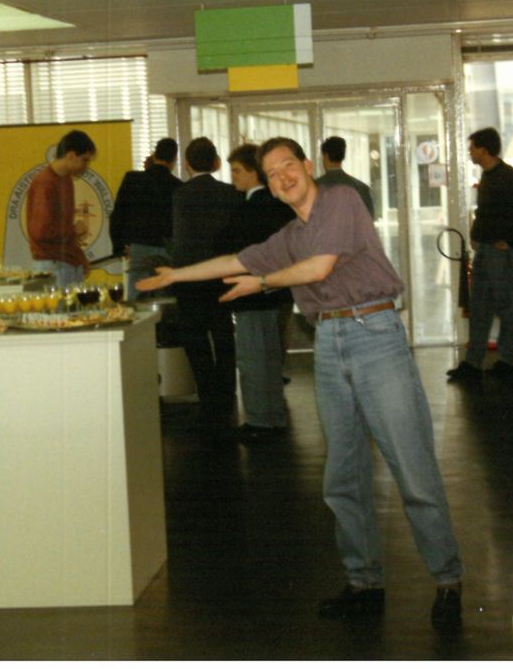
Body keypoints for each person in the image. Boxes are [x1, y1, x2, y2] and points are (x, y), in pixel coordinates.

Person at [138, 137, 463, 631]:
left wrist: (265, 282)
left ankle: (447, 580)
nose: (282, 177)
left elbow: (319, 266)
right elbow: (238, 260)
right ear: (268, 186)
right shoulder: (291, 234)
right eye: (271, 174)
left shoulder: (341, 200)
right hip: (329, 339)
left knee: (411, 467)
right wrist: (177, 276)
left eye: (287, 165)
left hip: (376, 335)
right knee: (343, 475)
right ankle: (363, 582)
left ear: (308, 165)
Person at [217, 143, 296, 442]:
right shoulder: (279, 205)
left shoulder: (249, 209)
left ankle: (259, 421)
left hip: (251, 294)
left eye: (237, 171)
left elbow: (229, 247)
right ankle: (274, 415)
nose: (233, 177)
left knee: (252, 360)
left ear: (253, 173)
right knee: (271, 359)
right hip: (278, 292)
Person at [447, 127, 513, 381]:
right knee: (479, 306)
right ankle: (474, 362)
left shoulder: (506, 175)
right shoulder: (487, 176)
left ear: (484, 149)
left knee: (506, 306)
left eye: (472, 148)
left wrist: (509, 241)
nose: (470, 152)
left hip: (498, 253)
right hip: (485, 251)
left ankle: (507, 361)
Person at [170, 137, 243, 412]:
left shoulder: (181, 195)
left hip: (190, 275)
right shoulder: (230, 193)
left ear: (187, 163)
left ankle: (207, 391)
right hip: (222, 272)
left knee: (194, 336)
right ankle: (227, 389)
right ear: (215, 162)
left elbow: (179, 240)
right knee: (223, 332)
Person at [109, 138, 183, 300]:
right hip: (167, 249)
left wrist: (119, 246)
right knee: (165, 297)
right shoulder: (179, 187)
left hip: (139, 247)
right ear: (174, 160)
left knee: (137, 295)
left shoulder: (132, 179)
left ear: (155, 155)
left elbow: (118, 214)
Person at [25, 129, 96, 288]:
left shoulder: (66, 180)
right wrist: (73, 230)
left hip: (65, 261)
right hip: (52, 264)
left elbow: (62, 229)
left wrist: (79, 258)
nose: (86, 166)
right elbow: (41, 232)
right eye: (84, 160)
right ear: (71, 156)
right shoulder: (45, 183)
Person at [316, 136, 374, 218]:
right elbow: (369, 220)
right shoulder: (362, 188)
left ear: (325, 156)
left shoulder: (315, 187)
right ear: (343, 156)